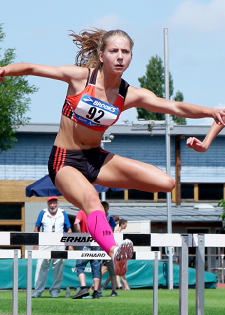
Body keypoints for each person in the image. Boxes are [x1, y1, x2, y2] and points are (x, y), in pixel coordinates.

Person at [1, 28, 225, 277]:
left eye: (125, 52)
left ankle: (115, 254)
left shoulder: (128, 94)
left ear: (131, 57)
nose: (120, 56)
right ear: (101, 54)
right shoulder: (80, 78)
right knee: (92, 202)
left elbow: (173, 106)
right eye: (114, 51)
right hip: (65, 159)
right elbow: (33, 68)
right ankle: (114, 248)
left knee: (167, 182)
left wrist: (210, 111)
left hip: (96, 158)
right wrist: (4, 71)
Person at [32, 196, 73, 298]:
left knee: (58, 267)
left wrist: (70, 245)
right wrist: (35, 244)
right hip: (44, 243)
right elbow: (36, 228)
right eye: (50, 203)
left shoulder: (63, 213)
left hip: (59, 243)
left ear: (57, 204)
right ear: (47, 204)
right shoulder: (43, 213)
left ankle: (55, 290)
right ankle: (37, 290)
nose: (52, 205)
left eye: (54, 203)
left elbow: (69, 229)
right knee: (41, 266)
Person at [72, 209, 102, 299]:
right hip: (97, 241)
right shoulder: (98, 212)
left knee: (80, 265)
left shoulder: (82, 212)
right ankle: (96, 292)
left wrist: (80, 233)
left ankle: (84, 288)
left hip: (86, 241)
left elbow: (76, 223)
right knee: (96, 268)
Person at [100, 201, 117, 296]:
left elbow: (109, 230)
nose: (104, 208)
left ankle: (114, 290)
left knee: (111, 270)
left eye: (106, 207)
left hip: (108, 246)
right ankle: (97, 289)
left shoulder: (110, 218)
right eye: (102, 207)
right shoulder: (98, 217)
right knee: (98, 268)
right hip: (98, 246)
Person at [115, 219, 130, 290]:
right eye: (125, 224)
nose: (126, 226)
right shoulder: (117, 233)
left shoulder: (118, 233)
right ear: (122, 224)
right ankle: (123, 286)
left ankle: (121, 286)